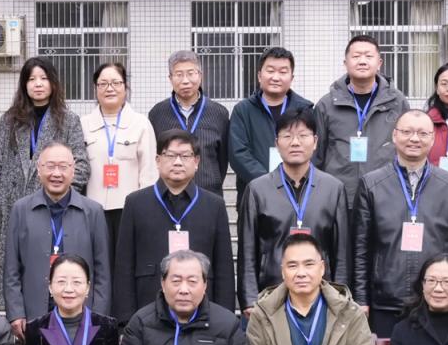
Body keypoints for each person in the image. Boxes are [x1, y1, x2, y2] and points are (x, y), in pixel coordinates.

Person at [353, 109, 448, 338]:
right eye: (407, 132)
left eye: (422, 133)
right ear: (394, 135)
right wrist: (361, 298)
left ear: (433, 139)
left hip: (437, 299)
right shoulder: (371, 184)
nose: (414, 139)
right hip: (385, 298)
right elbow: (361, 248)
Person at [0, 58, 90, 295]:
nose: (38, 84)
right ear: (24, 84)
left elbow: (81, 166)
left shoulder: (68, 120)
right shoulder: (9, 120)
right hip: (13, 206)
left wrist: (60, 196)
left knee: (50, 270)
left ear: (53, 83)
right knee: (14, 270)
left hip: (54, 208)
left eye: (44, 78)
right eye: (32, 79)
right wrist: (1, 194)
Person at [113, 130, 235, 323]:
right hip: (146, 311)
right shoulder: (136, 203)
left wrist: (225, 320)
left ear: (196, 162)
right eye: (170, 155)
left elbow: (224, 268)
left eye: (185, 156)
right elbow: (124, 266)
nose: (177, 162)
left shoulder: (214, 205)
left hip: (203, 312)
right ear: (158, 160)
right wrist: (125, 321)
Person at [237, 109, 350, 309]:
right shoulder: (257, 189)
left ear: (315, 142)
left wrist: (340, 296)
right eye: (287, 136)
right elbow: (247, 250)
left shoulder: (333, 189)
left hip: (322, 296)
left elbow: (341, 251)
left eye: (303, 135)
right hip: (270, 294)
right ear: (276, 143)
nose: (295, 142)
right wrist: (249, 300)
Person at [2, 142, 110, 340]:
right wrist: (16, 312)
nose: (56, 173)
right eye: (50, 166)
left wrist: (99, 316)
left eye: (63, 167)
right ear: (39, 169)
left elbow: (102, 270)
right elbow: (11, 268)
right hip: (34, 313)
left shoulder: (93, 211)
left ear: (73, 170)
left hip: (82, 314)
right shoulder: (21, 210)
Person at [314, 35, 408, 202]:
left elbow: (407, 148)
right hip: (339, 195)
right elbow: (317, 154)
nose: (362, 61)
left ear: (379, 63)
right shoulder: (326, 104)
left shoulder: (397, 102)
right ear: (345, 63)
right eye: (356, 56)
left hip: (386, 194)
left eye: (368, 56)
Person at [80, 61, 158, 263]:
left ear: (125, 87)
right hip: (93, 209)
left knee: (125, 263)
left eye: (116, 82)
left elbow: (149, 172)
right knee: (97, 263)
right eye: (103, 83)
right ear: (95, 88)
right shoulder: (83, 125)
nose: (110, 88)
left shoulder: (141, 124)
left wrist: (145, 209)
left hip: (129, 209)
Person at [228, 47, 313, 196]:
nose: (276, 77)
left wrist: (291, 181)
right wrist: (269, 183)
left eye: (283, 72)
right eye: (270, 71)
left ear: (291, 78)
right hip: (255, 193)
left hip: (297, 192)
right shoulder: (243, 110)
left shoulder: (305, 109)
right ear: (259, 76)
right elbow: (238, 154)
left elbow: (312, 150)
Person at [146, 50, 230, 197]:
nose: (185, 80)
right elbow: (155, 157)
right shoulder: (157, 113)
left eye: (191, 73)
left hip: (209, 195)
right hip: (167, 196)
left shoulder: (219, 113)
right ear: (170, 78)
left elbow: (222, 159)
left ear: (200, 75)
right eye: (179, 75)